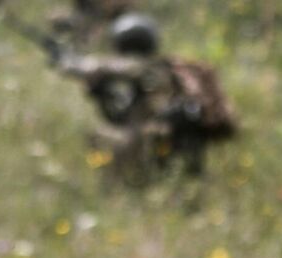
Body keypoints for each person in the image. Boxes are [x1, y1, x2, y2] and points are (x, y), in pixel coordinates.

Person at [55, 14, 235, 181]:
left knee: (99, 136)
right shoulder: (165, 69)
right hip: (168, 140)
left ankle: (121, 185)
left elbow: (99, 67)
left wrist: (71, 64)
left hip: (155, 141)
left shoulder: (142, 67)